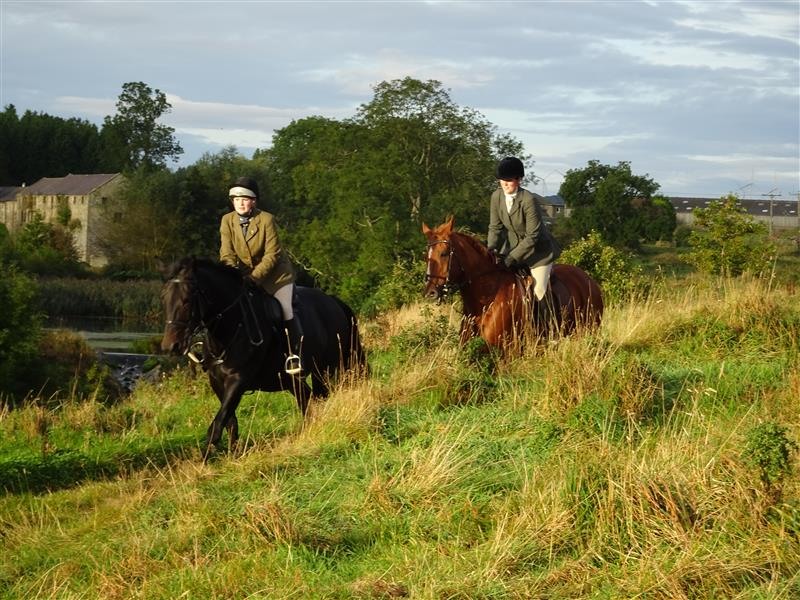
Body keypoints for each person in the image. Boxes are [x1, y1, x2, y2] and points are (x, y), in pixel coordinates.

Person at [219, 176, 303, 375]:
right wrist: (232, 277)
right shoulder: (227, 220)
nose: (240, 203)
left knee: (284, 309)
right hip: (244, 276)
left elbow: (272, 254)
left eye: (244, 199)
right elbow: (227, 253)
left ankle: (293, 354)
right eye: (236, 199)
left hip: (276, 276)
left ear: (254, 201)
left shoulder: (266, 219)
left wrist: (253, 278)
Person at [487, 156, 561, 313]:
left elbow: (533, 236)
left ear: (519, 179)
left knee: (538, 290)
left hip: (538, 253)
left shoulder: (529, 200)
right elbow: (495, 227)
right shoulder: (496, 196)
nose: (505, 184)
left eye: (510, 180)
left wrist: (511, 257)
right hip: (512, 248)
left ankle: (547, 325)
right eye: (502, 180)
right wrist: (490, 250)